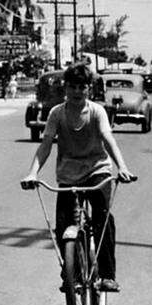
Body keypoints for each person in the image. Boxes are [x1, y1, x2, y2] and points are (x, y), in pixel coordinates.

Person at [21, 63, 135, 292]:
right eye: (72, 86)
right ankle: (70, 274)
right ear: (66, 88)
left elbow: (107, 138)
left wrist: (121, 167)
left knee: (103, 217)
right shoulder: (57, 113)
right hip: (68, 173)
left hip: (97, 170)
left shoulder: (97, 111)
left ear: (88, 89)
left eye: (82, 87)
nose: (76, 92)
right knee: (64, 224)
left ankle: (107, 275)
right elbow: (45, 146)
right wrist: (33, 172)